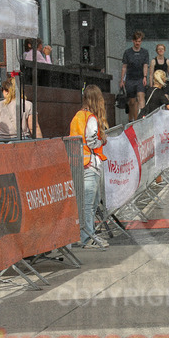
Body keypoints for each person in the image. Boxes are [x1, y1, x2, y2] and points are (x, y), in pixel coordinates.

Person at [69, 85, 109, 249]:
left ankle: (89, 235)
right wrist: (102, 141)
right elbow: (92, 141)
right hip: (90, 164)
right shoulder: (91, 118)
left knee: (87, 204)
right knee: (89, 205)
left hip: (79, 163)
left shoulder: (77, 116)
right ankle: (87, 238)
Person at [120, 31, 149, 121]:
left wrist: (145, 77)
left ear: (141, 42)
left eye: (139, 41)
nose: (137, 43)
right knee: (132, 102)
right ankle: (132, 119)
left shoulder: (144, 52)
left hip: (140, 78)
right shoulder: (127, 52)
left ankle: (142, 118)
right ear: (133, 41)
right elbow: (124, 67)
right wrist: (122, 80)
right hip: (130, 79)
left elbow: (145, 65)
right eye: (136, 41)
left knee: (141, 97)